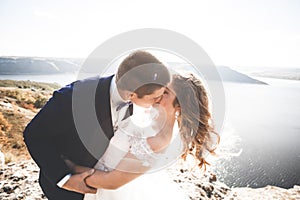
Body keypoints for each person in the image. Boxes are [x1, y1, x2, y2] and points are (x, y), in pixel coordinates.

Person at [23, 50, 171, 200]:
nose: (157, 101)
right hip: (67, 190)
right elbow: (34, 134)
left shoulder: (134, 93)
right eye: (154, 98)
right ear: (131, 94)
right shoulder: (74, 98)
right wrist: (64, 179)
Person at [69, 73, 219, 200]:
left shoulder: (158, 139)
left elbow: (112, 181)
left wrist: (68, 169)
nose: (158, 92)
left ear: (179, 105)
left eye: (165, 92)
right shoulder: (143, 113)